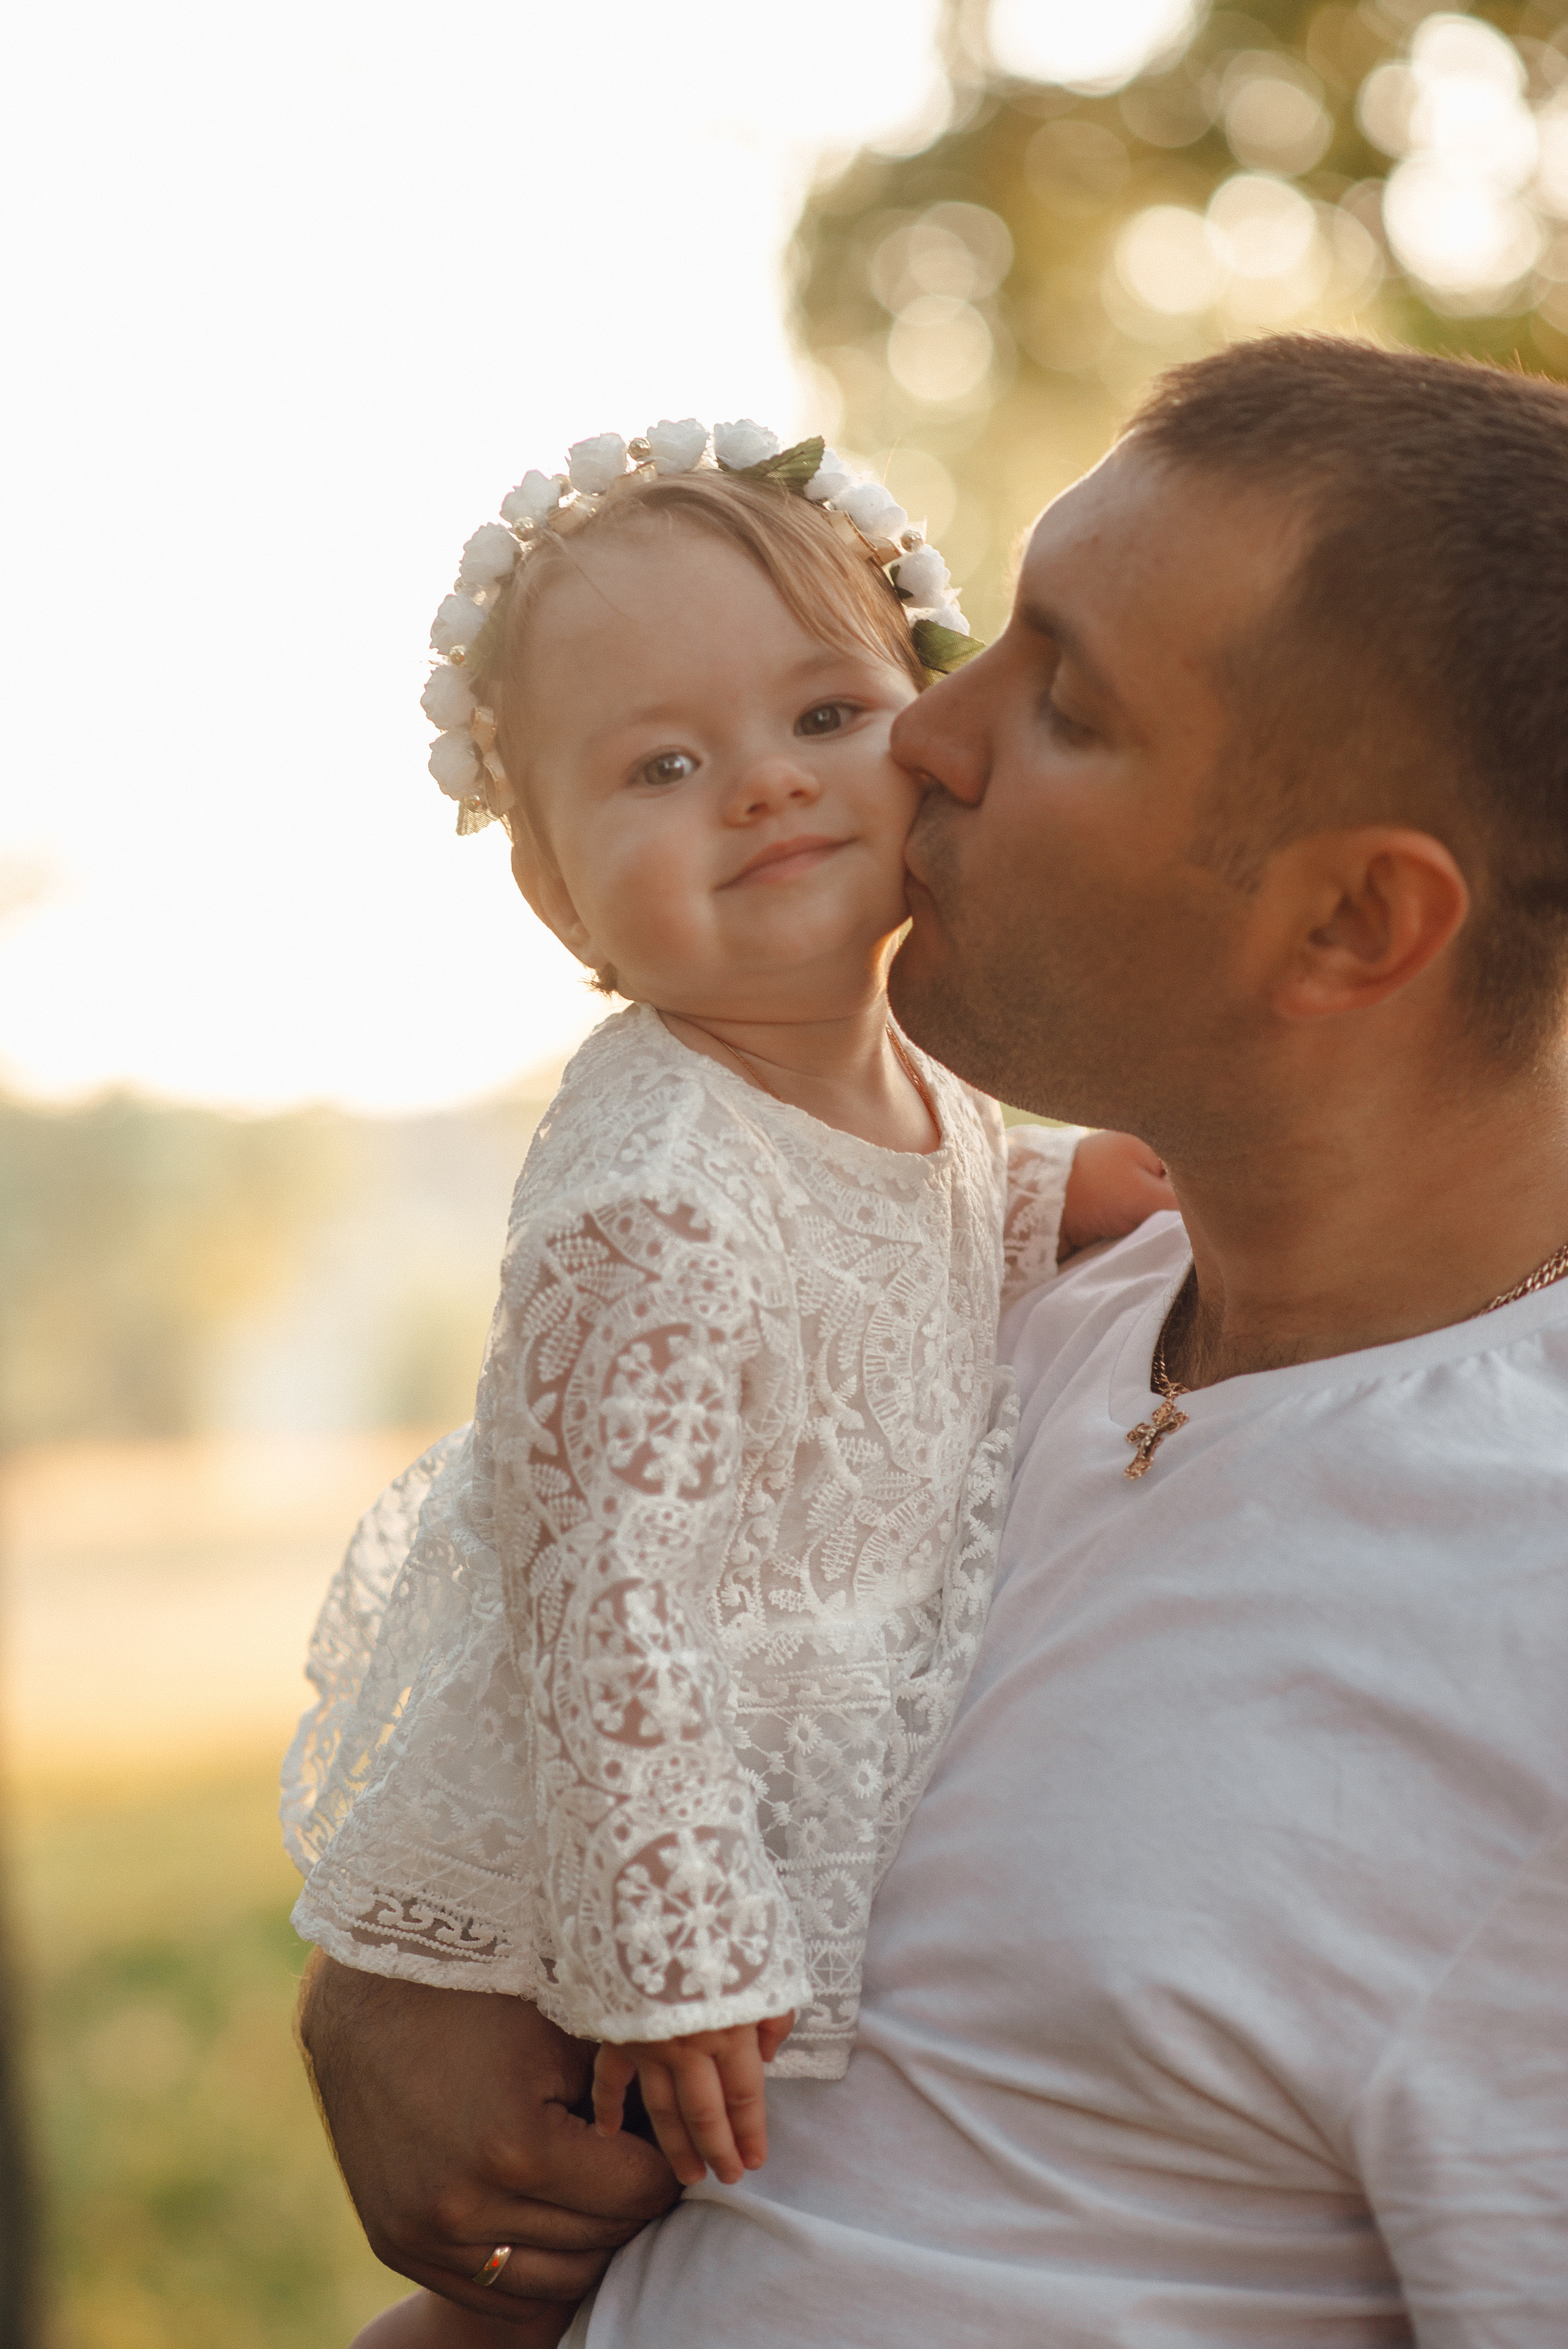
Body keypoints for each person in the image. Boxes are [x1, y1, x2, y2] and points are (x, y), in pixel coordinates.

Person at [301, 337, 1568, 2348]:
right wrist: (402, 1980)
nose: (921, 737)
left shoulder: (1523, 1635)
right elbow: (588, 1583)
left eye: (1058, 696)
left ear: (1351, 925)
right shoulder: (1021, 1297)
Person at [282, 423, 1169, 2347]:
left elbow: (921, 1221)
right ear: (557, 897)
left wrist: (1066, 1187)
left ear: (926, 742)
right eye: (663, 767)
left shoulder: (911, 1083)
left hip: (761, 1791)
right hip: (603, 1862)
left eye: (826, 711)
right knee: (567, 2242)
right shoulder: (655, 1183)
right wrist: (668, 1951)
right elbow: (608, 1600)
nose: (762, 785)